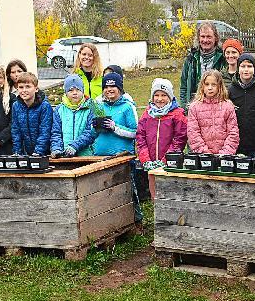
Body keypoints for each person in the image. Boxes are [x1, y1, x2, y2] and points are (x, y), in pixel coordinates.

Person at [93, 72, 142, 223]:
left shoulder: (127, 107)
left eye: (113, 86)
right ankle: (109, 222)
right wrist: (95, 126)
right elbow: (93, 131)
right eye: (106, 86)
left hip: (122, 157)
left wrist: (115, 127)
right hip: (100, 156)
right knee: (105, 191)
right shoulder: (99, 106)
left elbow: (135, 132)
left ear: (120, 88)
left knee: (128, 190)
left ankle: (136, 220)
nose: (109, 89)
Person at [136, 78, 188, 199]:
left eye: (164, 95)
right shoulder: (147, 114)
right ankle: (156, 213)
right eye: (156, 95)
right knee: (154, 191)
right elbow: (140, 138)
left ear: (170, 96)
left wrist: (165, 160)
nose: (160, 99)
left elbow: (179, 140)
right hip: (152, 163)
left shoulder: (177, 114)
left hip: (170, 163)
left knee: (171, 192)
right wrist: (146, 160)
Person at [186, 70, 239, 155]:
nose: (210, 88)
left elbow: (233, 132)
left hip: (224, 157)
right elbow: (193, 133)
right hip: (203, 158)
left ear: (219, 86)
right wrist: (204, 152)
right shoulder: (194, 107)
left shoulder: (228, 106)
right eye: (207, 84)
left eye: (213, 84)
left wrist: (225, 153)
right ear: (202, 86)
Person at [179, 22, 227, 108]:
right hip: (195, 107)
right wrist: (184, 108)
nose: (205, 40)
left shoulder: (223, 59)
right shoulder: (191, 59)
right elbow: (184, 88)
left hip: (217, 107)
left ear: (215, 38)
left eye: (209, 37)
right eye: (202, 36)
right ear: (198, 38)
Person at [229, 53, 255, 157]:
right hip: (237, 143)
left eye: (250, 66)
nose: (246, 70)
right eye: (243, 66)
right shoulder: (231, 91)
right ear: (238, 69)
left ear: (254, 69)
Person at [50, 75, 96, 157]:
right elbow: (56, 133)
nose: (75, 93)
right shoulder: (59, 110)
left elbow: (90, 132)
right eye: (71, 90)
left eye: (78, 89)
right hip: (65, 156)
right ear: (66, 92)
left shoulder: (91, 108)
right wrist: (56, 148)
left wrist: (75, 146)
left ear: (83, 91)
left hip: (86, 156)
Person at [11, 72, 53, 156]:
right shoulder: (16, 106)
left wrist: (38, 152)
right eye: (21, 87)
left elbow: (45, 131)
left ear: (36, 89)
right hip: (26, 152)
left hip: (44, 153)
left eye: (28, 87)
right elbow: (16, 131)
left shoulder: (44, 106)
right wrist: (17, 152)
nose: (24, 90)